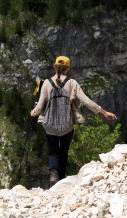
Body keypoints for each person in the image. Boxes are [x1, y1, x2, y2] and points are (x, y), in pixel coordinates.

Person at [30, 56, 117, 184]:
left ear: (55, 67)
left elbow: (39, 106)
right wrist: (104, 112)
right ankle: (62, 178)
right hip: (67, 125)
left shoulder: (46, 83)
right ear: (67, 68)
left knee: (53, 151)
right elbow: (86, 101)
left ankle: (53, 173)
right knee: (63, 152)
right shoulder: (72, 83)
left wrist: (33, 112)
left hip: (50, 125)